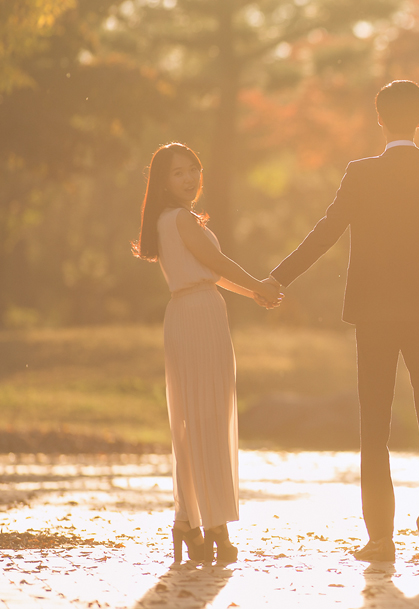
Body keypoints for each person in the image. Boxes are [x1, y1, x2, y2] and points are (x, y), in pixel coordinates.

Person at [267, 80, 419, 563]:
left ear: (379, 120)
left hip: (374, 315)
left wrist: (278, 278)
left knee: (373, 425)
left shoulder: (361, 174)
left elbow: (325, 231)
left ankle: (380, 539)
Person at [133, 143, 283, 564]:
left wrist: (254, 292)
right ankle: (211, 522)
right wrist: (260, 284)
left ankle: (190, 521)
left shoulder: (169, 220)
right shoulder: (180, 219)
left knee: (195, 419)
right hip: (197, 316)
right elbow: (215, 261)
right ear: (163, 181)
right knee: (206, 418)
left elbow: (211, 272)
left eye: (193, 170)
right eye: (178, 173)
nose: (189, 178)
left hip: (192, 311)